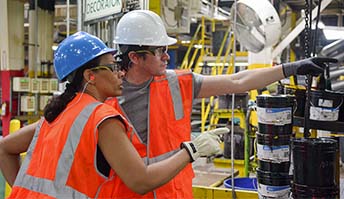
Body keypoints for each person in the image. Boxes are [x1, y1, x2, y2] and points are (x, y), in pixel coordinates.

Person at [1, 10, 337, 199]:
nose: (167, 56)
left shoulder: (177, 83)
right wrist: (192, 149)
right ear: (135, 56)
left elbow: (237, 81)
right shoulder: (96, 108)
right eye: (159, 50)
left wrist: (291, 68)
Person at [0, 31, 228, 198]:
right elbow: (141, 181)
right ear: (90, 76)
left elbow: (4, 148)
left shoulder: (59, 112)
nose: (120, 72)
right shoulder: (101, 117)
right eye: (112, 67)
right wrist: (193, 150)